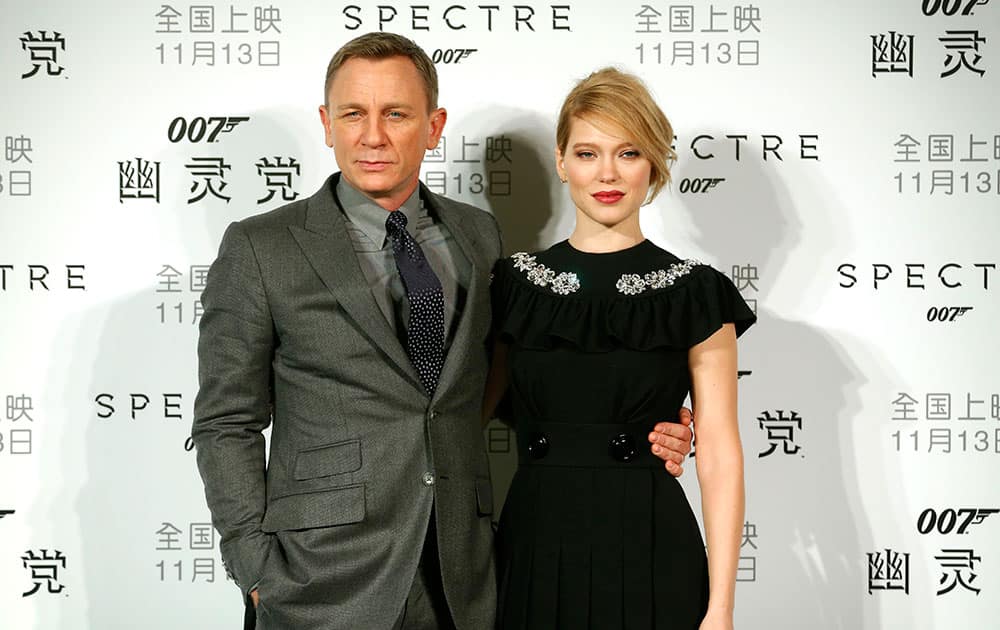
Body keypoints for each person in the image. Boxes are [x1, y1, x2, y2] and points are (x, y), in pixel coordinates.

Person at [191, 33, 693, 630]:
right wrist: (256, 570)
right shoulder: (260, 246)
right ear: (327, 124)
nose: (372, 136)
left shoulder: (478, 237)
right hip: (319, 583)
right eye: (353, 114)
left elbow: (497, 390)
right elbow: (227, 420)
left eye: (396, 114)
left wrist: (638, 431)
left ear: (434, 126)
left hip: (463, 577)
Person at [486, 68, 756, 630]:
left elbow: (721, 453)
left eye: (628, 152)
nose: (607, 173)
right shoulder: (511, 286)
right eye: (587, 153)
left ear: (654, 163)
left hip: (652, 545)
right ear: (561, 162)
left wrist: (722, 609)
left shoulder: (696, 293)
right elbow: (463, 418)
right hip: (534, 541)